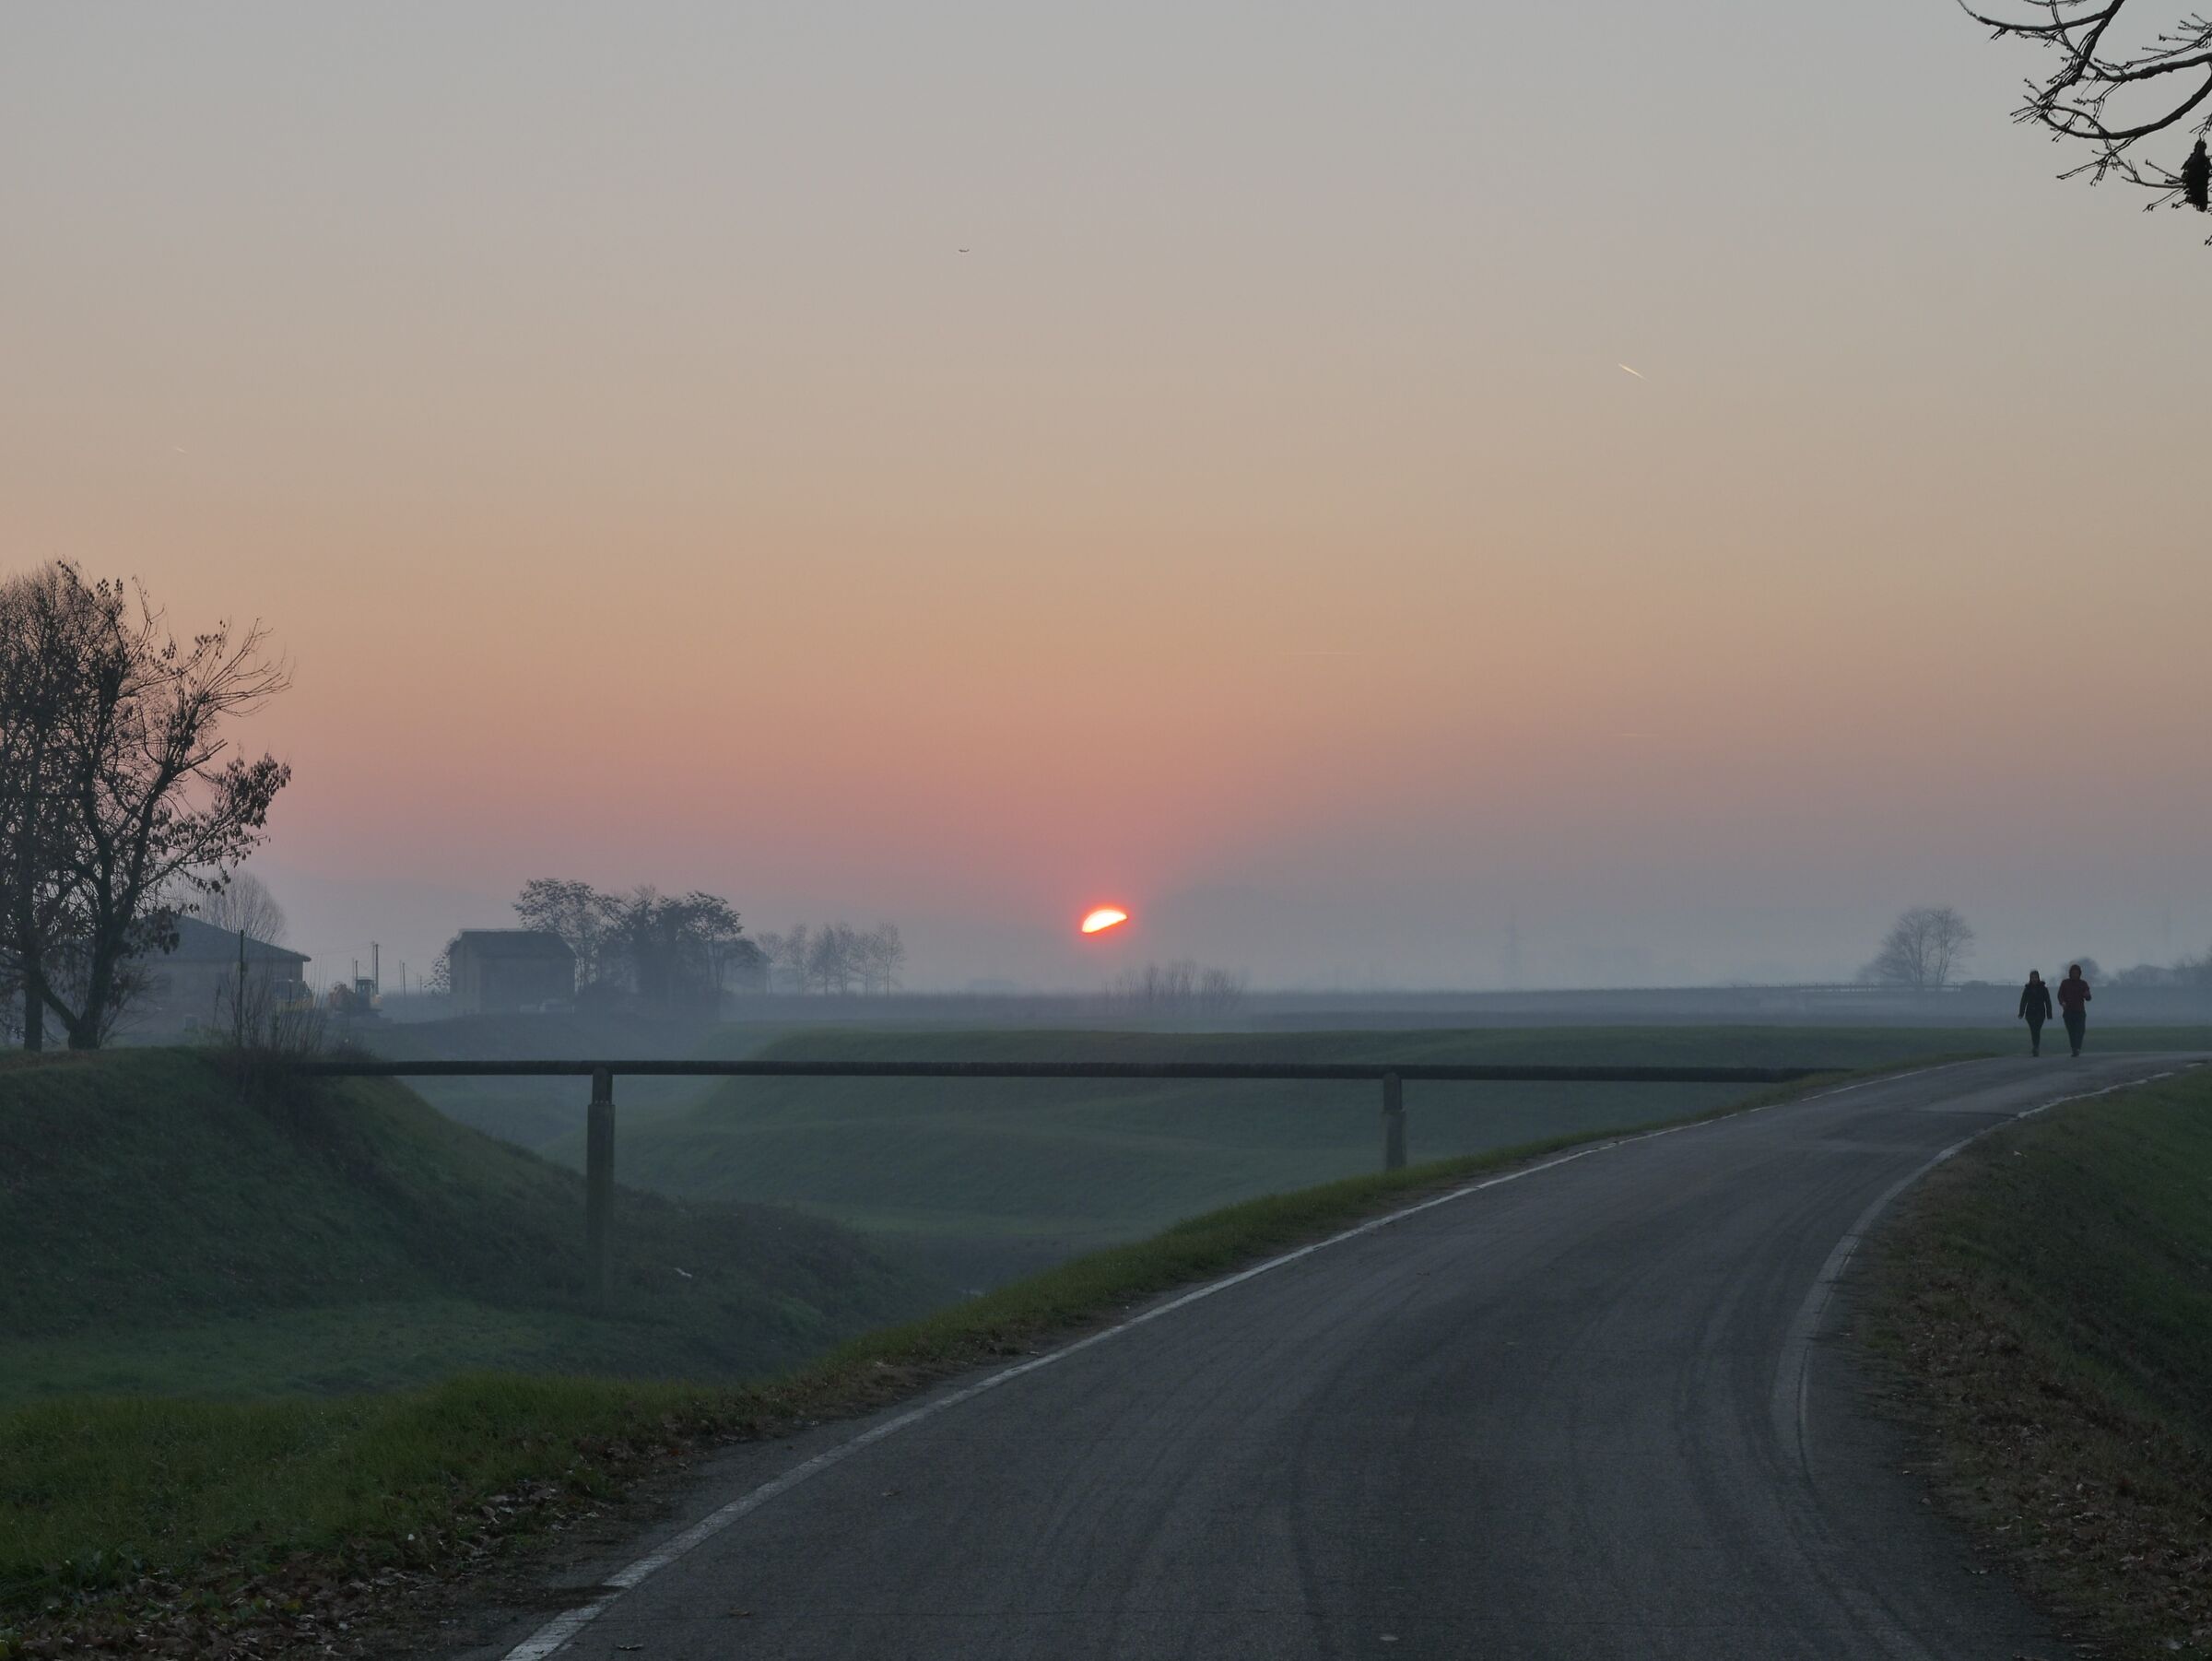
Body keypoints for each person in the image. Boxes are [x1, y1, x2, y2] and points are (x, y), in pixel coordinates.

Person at [2057, 962, 2092, 1057]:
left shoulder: (2083, 984)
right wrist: (2062, 1002)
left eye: (2076, 973)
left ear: (2079, 974)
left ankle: (2077, 1048)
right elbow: (2060, 995)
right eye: (2073, 973)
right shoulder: (2065, 983)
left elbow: (2088, 997)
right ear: (2070, 973)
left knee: (2080, 1031)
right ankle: (2074, 1048)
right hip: (2068, 1012)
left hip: (2080, 1011)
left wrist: (2087, 995)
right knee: (2071, 1031)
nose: (2075, 974)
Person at [2018, 969, 2053, 1055]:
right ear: (2030, 978)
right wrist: (2021, 1013)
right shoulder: (2027, 989)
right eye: (2032, 978)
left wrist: (2049, 1014)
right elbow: (2023, 1001)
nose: (2034, 979)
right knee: (2033, 1030)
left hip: (2040, 1013)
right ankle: (2036, 1046)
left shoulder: (2043, 989)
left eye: (2035, 977)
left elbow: (2047, 1002)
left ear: (2038, 978)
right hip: (2030, 1013)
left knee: (2037, 1029)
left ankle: (2036, 1046)